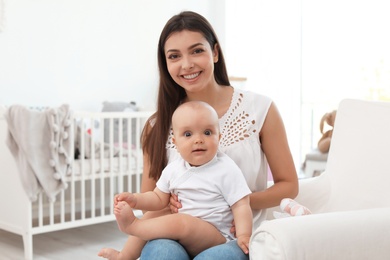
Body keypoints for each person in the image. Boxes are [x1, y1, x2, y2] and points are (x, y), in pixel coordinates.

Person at [99, 10, 298, 260]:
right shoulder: (156, 126)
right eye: (174, 56)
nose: (187, 64)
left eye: (196, 51)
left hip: (237, 236)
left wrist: (233, 203)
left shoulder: (259, 109)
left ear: (214, 52)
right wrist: (128, 249)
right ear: (166, 63)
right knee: (161, 253)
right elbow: (154, 201)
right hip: (175, 235)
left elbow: (289, 185)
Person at [106, 101, 252, 259]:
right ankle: (125, 255)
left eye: (208, 133)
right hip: (182, 235)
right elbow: (157, 198)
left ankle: (134, 226)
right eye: (188, 134)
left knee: (182, 222)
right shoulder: (174, 169)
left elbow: (241, 205)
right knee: (156, 213)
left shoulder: (226, 168)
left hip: (216, 236)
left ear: (219, 137)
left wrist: (244, 234)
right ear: (175, 143)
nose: (198, 139)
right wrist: (136, 200)